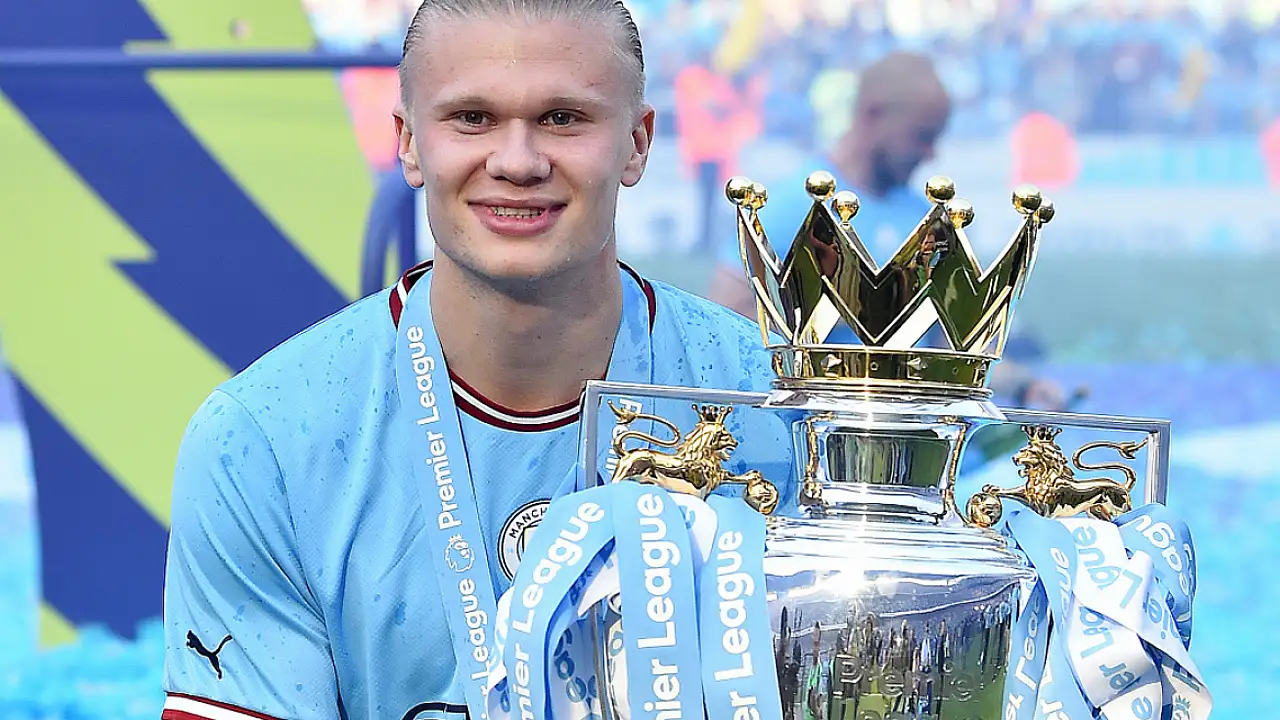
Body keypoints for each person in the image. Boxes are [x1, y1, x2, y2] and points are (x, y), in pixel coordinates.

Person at [159, 3, 791, 720]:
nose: (517, 162)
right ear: (408, 143)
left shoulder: (782, 406)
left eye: (562, 118)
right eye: (472, 118)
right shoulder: (263, 439)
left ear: (637, 144)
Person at [708, 51, 952, 323]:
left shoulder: (925, 218)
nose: (930, 154)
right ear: (872, 114)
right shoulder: (793, 207)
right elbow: (726, 315)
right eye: (922, 136)